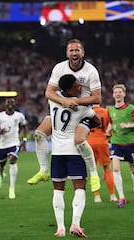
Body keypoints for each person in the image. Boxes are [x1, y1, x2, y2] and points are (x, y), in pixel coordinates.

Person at [27, 39, 102, 194]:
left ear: (83, 52)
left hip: (83, 111)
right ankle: (43, 171)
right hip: (63, 107)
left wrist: (76, 101)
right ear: (67, 53)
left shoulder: (91, 71)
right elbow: (48, 92)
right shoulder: (59, 68)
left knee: (79, 140)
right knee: (39, 134)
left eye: (77, 50)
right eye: (71, 50)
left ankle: (94, 175)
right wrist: (64, 101)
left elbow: (97, 99)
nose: (74, 53)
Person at [50, 74, 101, 237]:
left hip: (57, 152)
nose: (80, 87)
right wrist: (84, 123)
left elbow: (50, 94)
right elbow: (98, 121)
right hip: (74, 152)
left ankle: (60, 228)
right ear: (69, 89)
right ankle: (75, 224)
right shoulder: (83, 107)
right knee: (79, 188)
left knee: (58, 190)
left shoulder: (53, 101)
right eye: (77, 85)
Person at [107, 84, 134, 208]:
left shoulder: (131, 108)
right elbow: (111, 124)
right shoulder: (110, 110)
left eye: (120, 92)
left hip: (130, 143)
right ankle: (121, 197)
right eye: (115, 92)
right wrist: (108, 130)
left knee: (133, 168)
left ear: (124, 94)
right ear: (113, 94)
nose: (118, 94)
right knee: (115, 168)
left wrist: (128, 125)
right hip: (116, 142)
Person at [0, 98, 28, 199]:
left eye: (12, 103)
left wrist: (24, 140)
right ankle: (1, 176)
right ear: (5, 105)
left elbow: (24, 126)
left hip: (14, 143)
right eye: (8, 103)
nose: (10, 104)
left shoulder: (19, 116)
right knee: (2, 164)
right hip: (3, 144)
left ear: (15, 105)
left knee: (13, 160)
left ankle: (12, 188)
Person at [87, 104, 117, 203]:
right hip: (102, 141)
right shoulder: (105, 112)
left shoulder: (86, 111)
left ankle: (97, 197)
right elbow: (110, 127)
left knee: (92, 169)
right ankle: (112, 195)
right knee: (107, 168)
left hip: (89, 141)